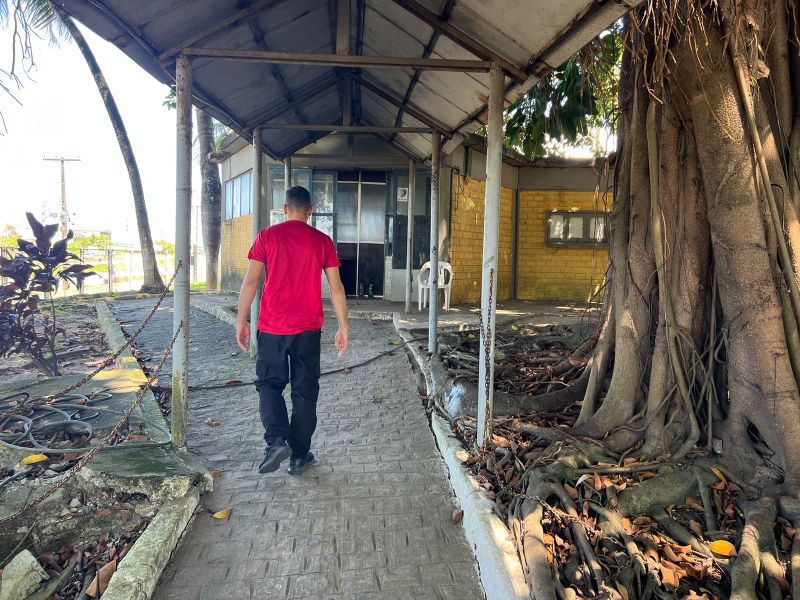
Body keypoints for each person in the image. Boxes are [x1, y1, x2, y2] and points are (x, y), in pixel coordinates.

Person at [236, 185, 349, 476]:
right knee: (304, 392)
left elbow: (251, 282)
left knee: (269, 385)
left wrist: (241, 320)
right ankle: (299, 456)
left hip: (272, 328)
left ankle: (275, 442)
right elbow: (336, 288)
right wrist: (343, 327)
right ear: (310, 211)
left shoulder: (267, 236)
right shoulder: (322, 241)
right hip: (308, 331)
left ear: (285, 209)